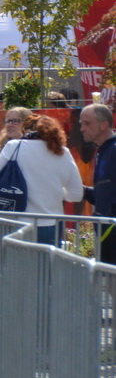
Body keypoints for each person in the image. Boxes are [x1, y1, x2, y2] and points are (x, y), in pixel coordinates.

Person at [0, 114, 86, 246]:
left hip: (17, 224)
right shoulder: (63, 152)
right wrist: (55, 191)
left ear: (26, 130)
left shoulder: (13, 147)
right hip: (51, 224)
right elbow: (76, 195)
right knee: (48, 259)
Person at [78, 104, 116, 263]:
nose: (82, 129)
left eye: (87, 123)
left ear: (104, 125)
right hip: (105, 230)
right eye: (81, 123)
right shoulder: (102, 151)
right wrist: (82, 191)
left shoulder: (113, 149)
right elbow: (105, 193)